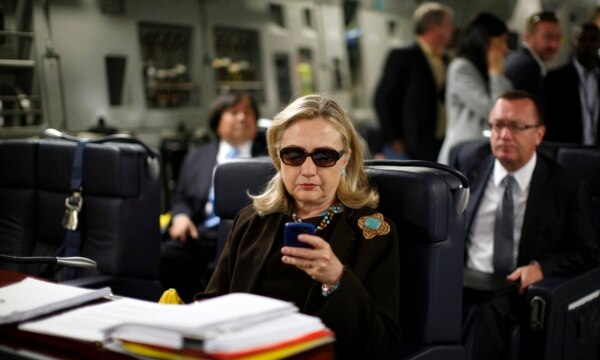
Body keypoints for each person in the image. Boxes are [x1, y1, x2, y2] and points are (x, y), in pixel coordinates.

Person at [196, 94, 400, 359]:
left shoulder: (372, 233)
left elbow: (380, 345)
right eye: (293, 154)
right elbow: (212, 304)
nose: (307, 170)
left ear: (345, 159)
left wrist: (336, 279)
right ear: (278, 157)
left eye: (324, 156)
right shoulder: (251, 220)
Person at [454, 90, 599, 360]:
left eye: (517, 127)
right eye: (497, 125)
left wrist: (541, 268)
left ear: (539, 134)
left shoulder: (566, 187)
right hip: (461, 281)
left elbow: (586, 251)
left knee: (483, 312)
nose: (504, 136)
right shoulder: (468, 166)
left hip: (511, 291)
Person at [161, 92, 267, 302]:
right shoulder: (197, 156)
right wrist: (181, 216)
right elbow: (181, 197)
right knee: (164, 256)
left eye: (247, 112)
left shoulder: (270, 157)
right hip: (200, 233)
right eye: (233, 112)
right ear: (217, 121)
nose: (242, 118)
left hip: (247, 235)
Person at [374, 2, 454, 161]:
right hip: (412, 144)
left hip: (439, 141)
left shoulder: (444, 59)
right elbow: (382, 98)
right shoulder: (404, 55)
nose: (452, 29)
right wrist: (394, 138)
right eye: (448, 25)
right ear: (434, 27)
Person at [437, 12, 512, 164]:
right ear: (485, 42)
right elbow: (494, 111)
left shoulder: (486, 71)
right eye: (502, 41)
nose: (506, 49)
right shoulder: (461, 67)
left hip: (482, 153)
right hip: (462, 155)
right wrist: (496, 74)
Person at [544, 23, 600, 148]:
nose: (588, 45)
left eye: (593, 40)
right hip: (567, 154)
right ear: (573, 43)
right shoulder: (555, 79)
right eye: (582, 40)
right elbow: (549, 123)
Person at [504, 11, 561, 102]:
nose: (554, 45)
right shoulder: (528, 68)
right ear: (528, 37)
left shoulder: (519, 59)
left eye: (558, 38)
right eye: (547, 37)